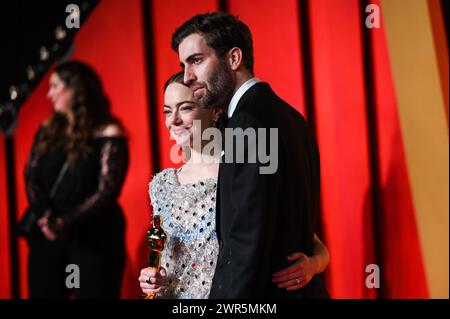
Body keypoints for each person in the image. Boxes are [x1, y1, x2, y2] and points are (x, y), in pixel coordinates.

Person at [170, 12, 329, 298]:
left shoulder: (248, 124)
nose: (187, 76)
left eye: (196, 60)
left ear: (233, 58)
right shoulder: (291, 117)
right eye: (183, 65)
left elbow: (247, 242)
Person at [138, 72, 329, 299]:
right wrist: (152, 280)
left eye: (186, 108)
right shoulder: (161, 185)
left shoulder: (240, 173)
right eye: (167, 111)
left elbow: (316, 246)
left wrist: (312, 265)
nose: (174, 120)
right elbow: (163, 260)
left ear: (215, 110)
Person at [24, 60, 128, 298]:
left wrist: (65, 221)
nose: (49, 94)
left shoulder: (108, 133)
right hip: (47, 235)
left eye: (55, 86)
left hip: (93, 236)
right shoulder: (48, 129)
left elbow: (106, 191)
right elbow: (30, 176)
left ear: (76, 89)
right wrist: (44, 216)